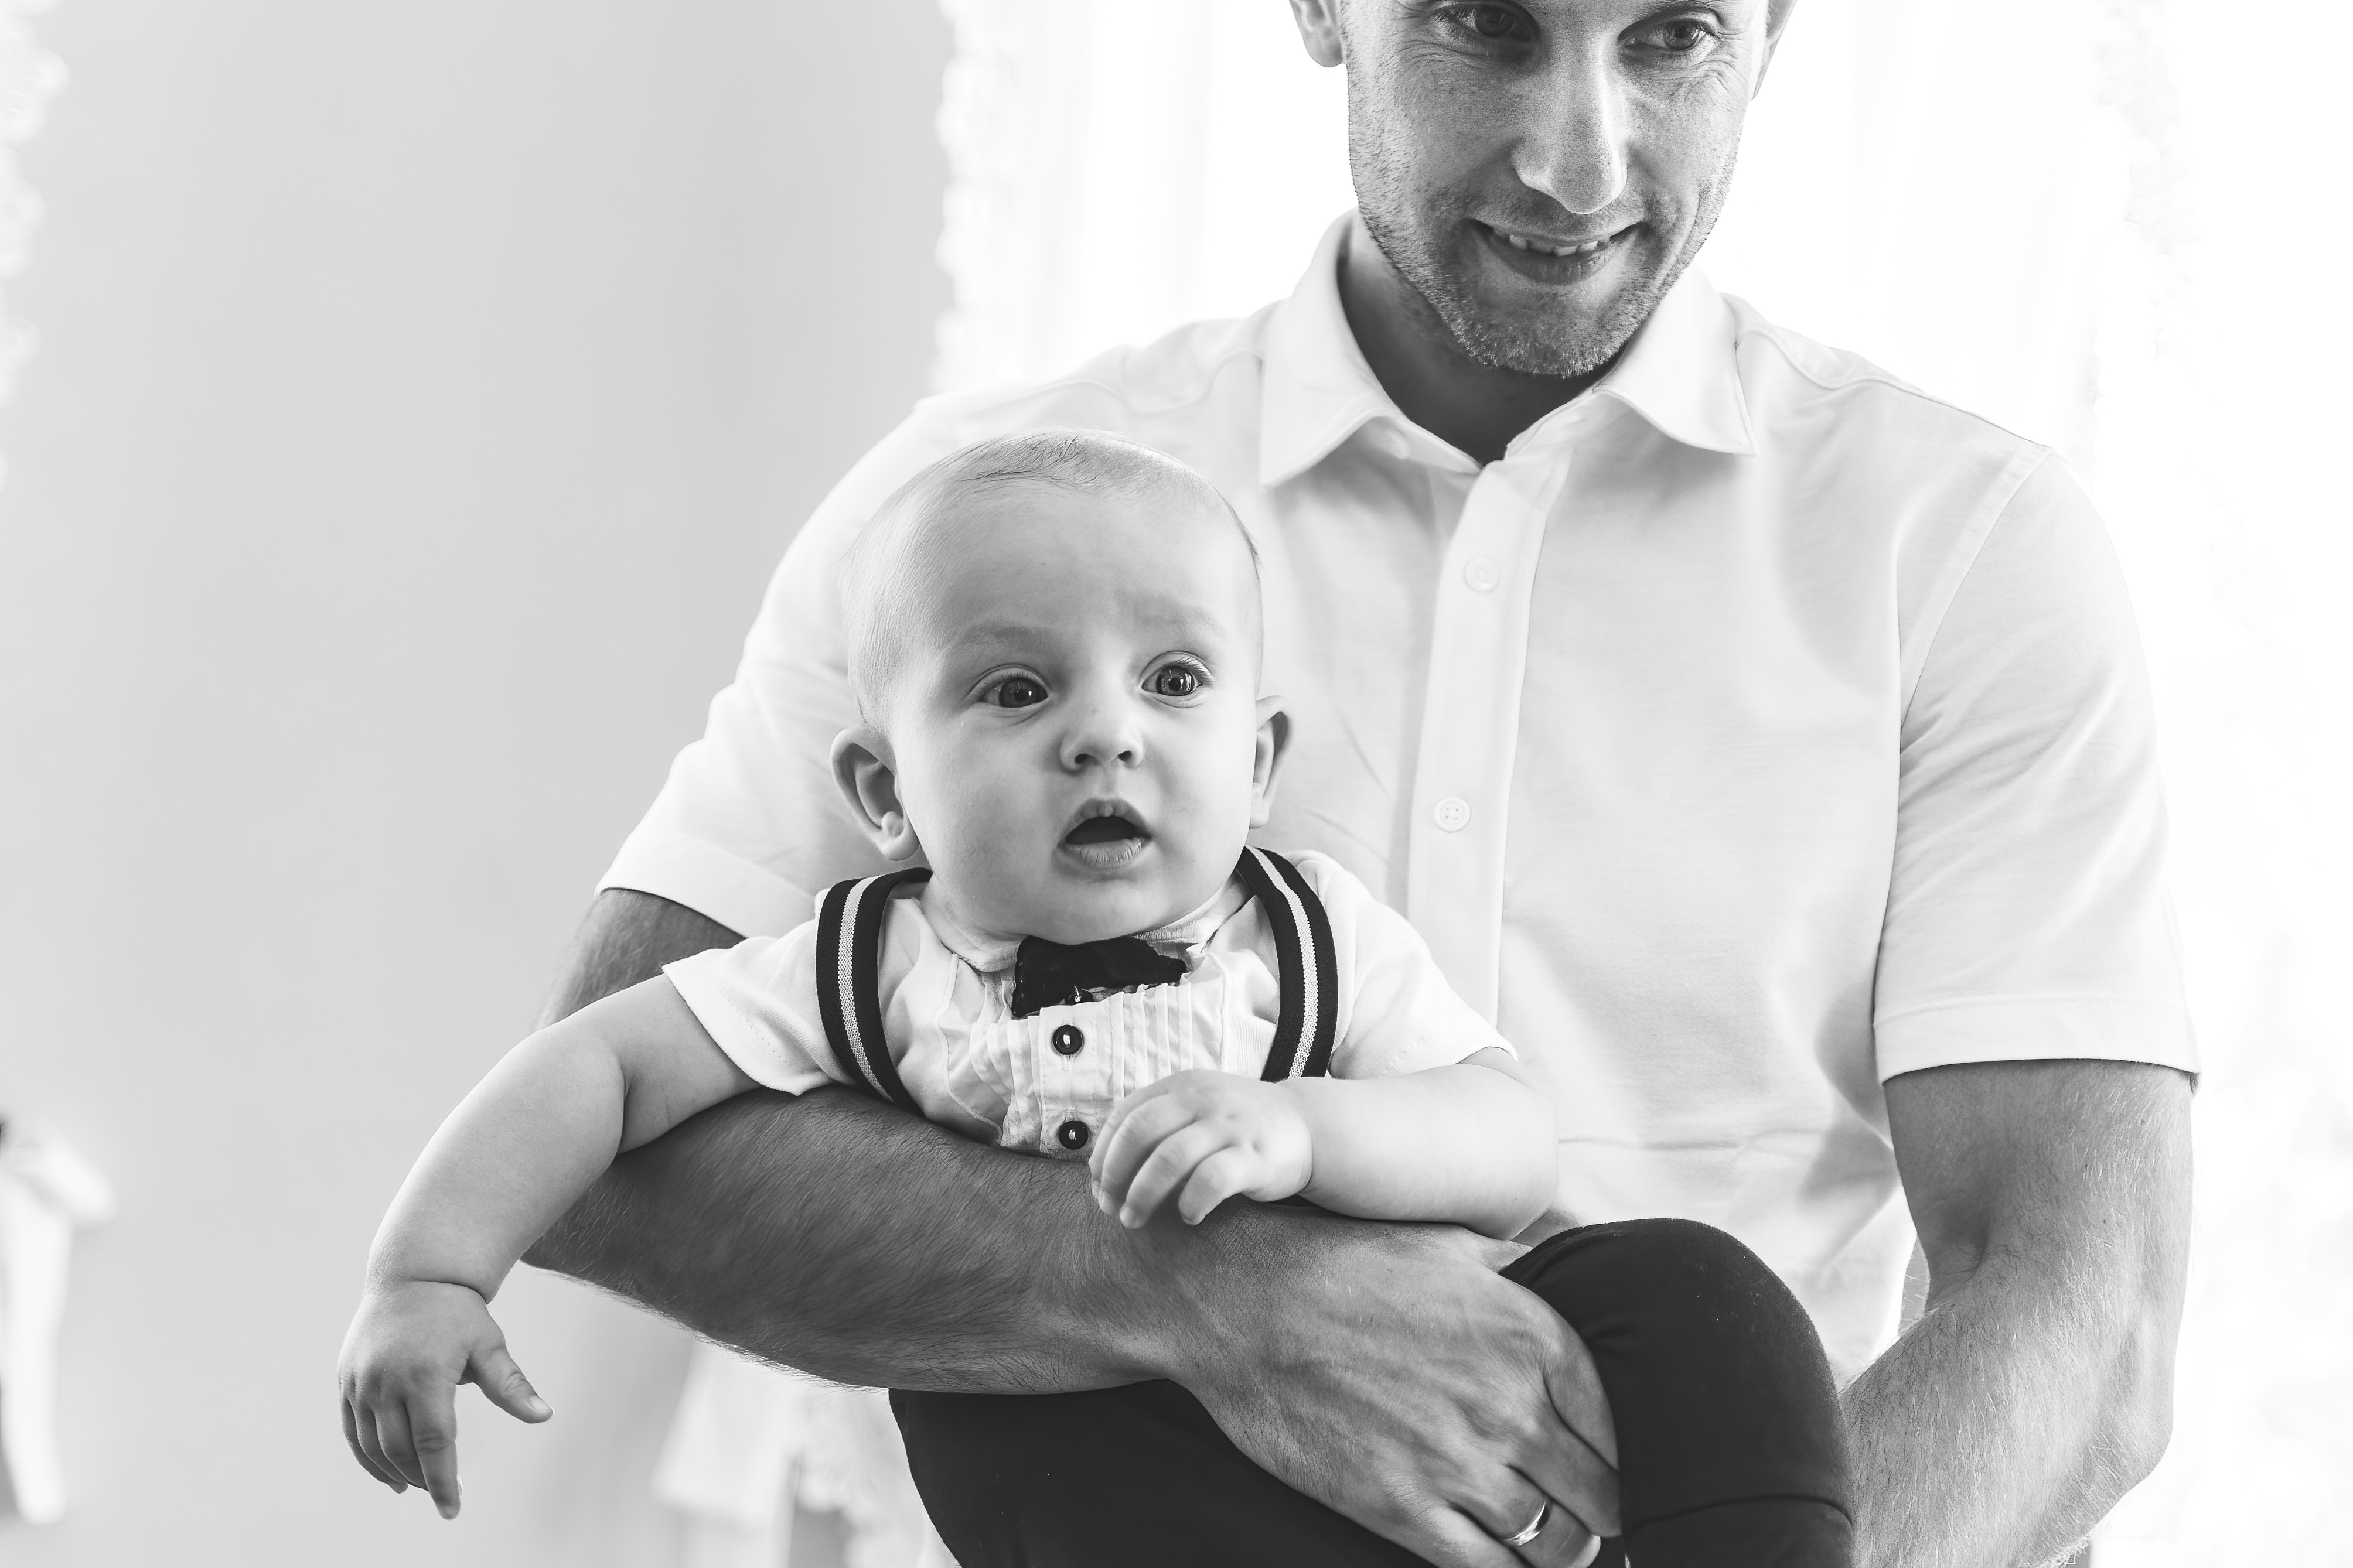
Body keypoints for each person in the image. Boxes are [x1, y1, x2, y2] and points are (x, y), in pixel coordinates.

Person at [359, 2, 2197, 1564]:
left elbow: (2083, 1325)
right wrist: (1205, 1300)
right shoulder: (971, 534)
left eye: (1673, 38)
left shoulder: (1967, 550)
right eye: (1485, 23)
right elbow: (613, 1140)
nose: (1581, 161)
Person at [338, 432, 1857, 1567]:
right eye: (1016, 691)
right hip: (1105, 1446)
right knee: (1027, 1459)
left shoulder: (1309, 937)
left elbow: (1507, 1137)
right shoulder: (864, 966)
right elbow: (596, 1067)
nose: (1105, 736)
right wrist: (430, 1276)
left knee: (1701, 1295)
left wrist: (1307, 1132)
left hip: (1445, 1352)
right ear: (885, 791)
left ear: (1257, 764)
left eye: (1174, 682)